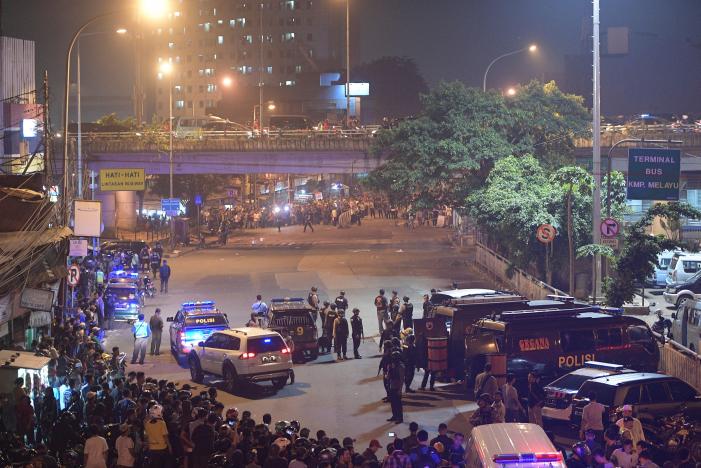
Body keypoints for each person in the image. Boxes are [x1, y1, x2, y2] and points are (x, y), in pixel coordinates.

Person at [387, 351, 405, 423]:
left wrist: (400, 390)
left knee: (398, 404)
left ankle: (400, 418)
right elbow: (389, 376)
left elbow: (401, 379)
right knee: (393, 402)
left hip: (397, 387)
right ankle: (394, 416)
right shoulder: (392, 365)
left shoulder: (401, 366)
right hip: (392, 385)